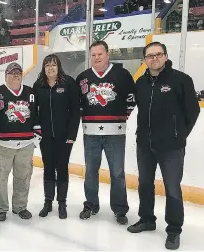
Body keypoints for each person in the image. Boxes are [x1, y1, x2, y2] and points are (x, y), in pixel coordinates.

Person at [127, 42, 200, 250]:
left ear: (166, 56)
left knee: (172, 189)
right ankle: (147, 219)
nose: (154, 58)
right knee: (145, 185)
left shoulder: (181, 80)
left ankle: (174, 230)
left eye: (158, 54)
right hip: (145, 145)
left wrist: (179, 135)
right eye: (150, 56)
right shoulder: (140, 83)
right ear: (145, 60)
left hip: (171, 148)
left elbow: (193, 111)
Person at [75, 40, 136, 225]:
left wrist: (118, 119)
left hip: (115, 134)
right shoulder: (83, 78)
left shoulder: (122, 74)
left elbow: (131, 99)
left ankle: (119, 208)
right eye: (93, 55)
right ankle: (91, 204)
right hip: (91, 133)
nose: (97, 57)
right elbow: (77, 105)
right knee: (90, 171)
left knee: (117, 172)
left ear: (107, 54)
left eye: (100, 54)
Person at [0, 62, 41, 221]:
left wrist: (37, 135)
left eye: (18, 72)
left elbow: (37, 115)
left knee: (23, 177)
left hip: (26, 144)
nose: (16, 75)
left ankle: (20, 207)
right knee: (0, 178)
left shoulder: (31, 93)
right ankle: (1, 208)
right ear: (6, 75)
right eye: (12, 73)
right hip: (3, 144)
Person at [33, 54, 80, 219]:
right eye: (47, 65)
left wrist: (72, 134)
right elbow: (33, 111)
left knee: (62, 168)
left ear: (59, 66)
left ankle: (62, 203)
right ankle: (48, 202)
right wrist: (37, 133)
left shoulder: (68, 83)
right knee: (48, 167)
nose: (50, 68)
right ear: (43, 68)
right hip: (45, 137)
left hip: (64, 136)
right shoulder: (38, 86)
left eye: (53, 65)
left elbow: (75, 111)